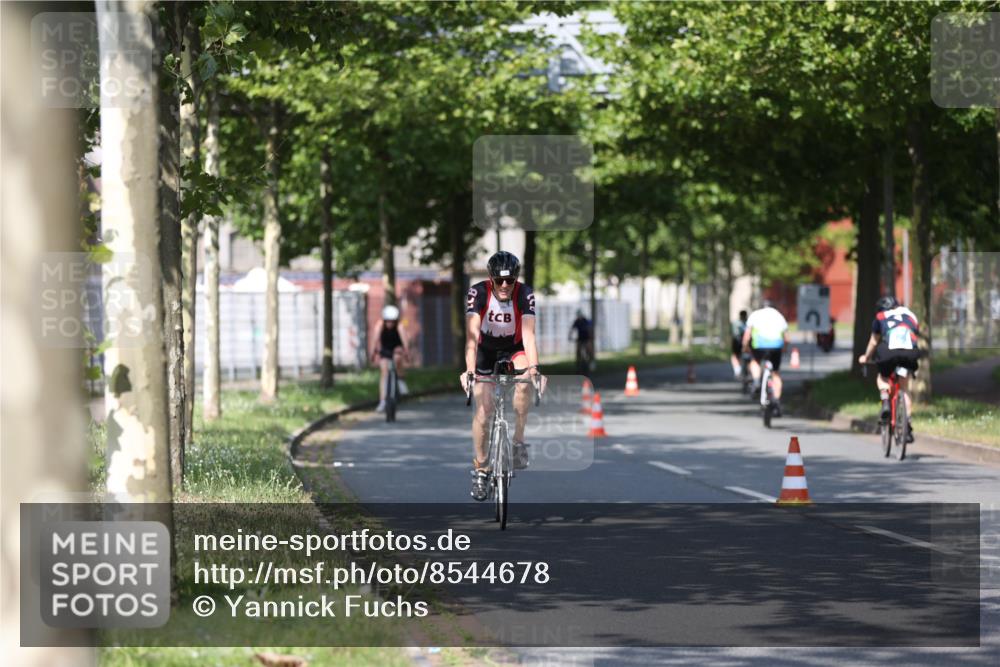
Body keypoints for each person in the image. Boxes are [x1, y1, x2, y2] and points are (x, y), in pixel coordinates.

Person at [460, 251, 544, 501]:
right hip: (485, 349)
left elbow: (528, 336)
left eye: (511, 280)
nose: (505, 285)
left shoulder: (525, 293)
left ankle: (518, 440)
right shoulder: (479, 293)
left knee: (526, 379)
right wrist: (470, 371)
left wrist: (536, 369)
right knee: (484, 410)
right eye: (500, 281)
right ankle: (481, 468)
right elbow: (472, 339)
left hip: (514, 346)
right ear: (490, 279)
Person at [857, 295, 919, 442]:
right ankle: (907, 424)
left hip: (888, 352)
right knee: (904, 389)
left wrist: (866, 357)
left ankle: (885, 400)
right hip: (909, 352)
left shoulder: (880, 316)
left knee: (883, 377)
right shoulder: (910, 314)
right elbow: (915, 333)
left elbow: (874, 341)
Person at [741, 299, 789, 415]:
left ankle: (757, 381)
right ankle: (776, 401)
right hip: (776, 347)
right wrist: (784, 349)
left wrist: (745, 348)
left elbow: (747, 336)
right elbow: (787, 338)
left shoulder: (755, 315)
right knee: (776, 374)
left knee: (755, 362)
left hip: (759, 346)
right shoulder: (779, 316)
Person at [371, 304, 409, 412]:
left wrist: (406, 352)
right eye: (388, 321)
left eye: (392, 321)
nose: (390, 323)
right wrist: (373, 352)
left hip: (397, 348)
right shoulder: (380, 325)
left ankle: (401, 380)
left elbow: (405, 341)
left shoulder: (399, 326)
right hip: (385, 350)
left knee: (397, 359)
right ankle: (382, 401)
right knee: (384, 371)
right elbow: (375, 340)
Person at [569, 309, 593, 374]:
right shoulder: (576, 321)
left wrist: (590, 338)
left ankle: (591, 363)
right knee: (578, 351)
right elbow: (572, 329)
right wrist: (570, 336)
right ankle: (578, 366)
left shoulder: (585, 320)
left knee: (589, 350)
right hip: (580, 339)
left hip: (586, 338)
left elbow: (589, 329)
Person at [730, 309, 749, 379]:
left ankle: (737, 370)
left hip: (737, 342)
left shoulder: (735, 323)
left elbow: (733, 333)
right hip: (747, 343)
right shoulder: (748, 323)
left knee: (735, 356)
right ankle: (746, 370)